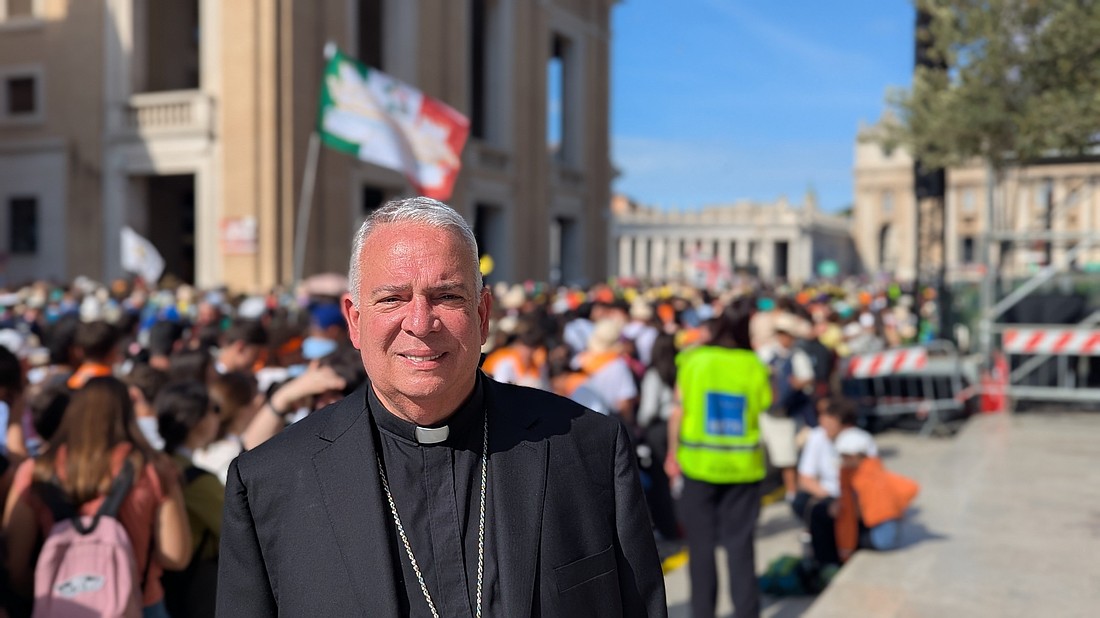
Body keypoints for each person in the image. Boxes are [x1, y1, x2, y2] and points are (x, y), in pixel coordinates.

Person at [217, 197, 666, 617]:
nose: (419, 323)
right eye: (392, 298)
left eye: (447, 296)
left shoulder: (589, 450)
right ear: (355, 321)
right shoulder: (269, 483)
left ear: (482, 315)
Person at [2, 376, 191, 617]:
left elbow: (15, 565)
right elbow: (175, 556)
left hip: (61, 606)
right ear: (127, 414)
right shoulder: (153, 469)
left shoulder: (36, 471)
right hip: (140, 603)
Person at [665, 303, 772, 618]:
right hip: (744, 469)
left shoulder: (693, 360)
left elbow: (677, 411)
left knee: (701, 549)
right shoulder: (754, 364)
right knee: (741, 548)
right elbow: (767, 403)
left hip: (698, 466)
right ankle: (746, 612)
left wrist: (672, 454)